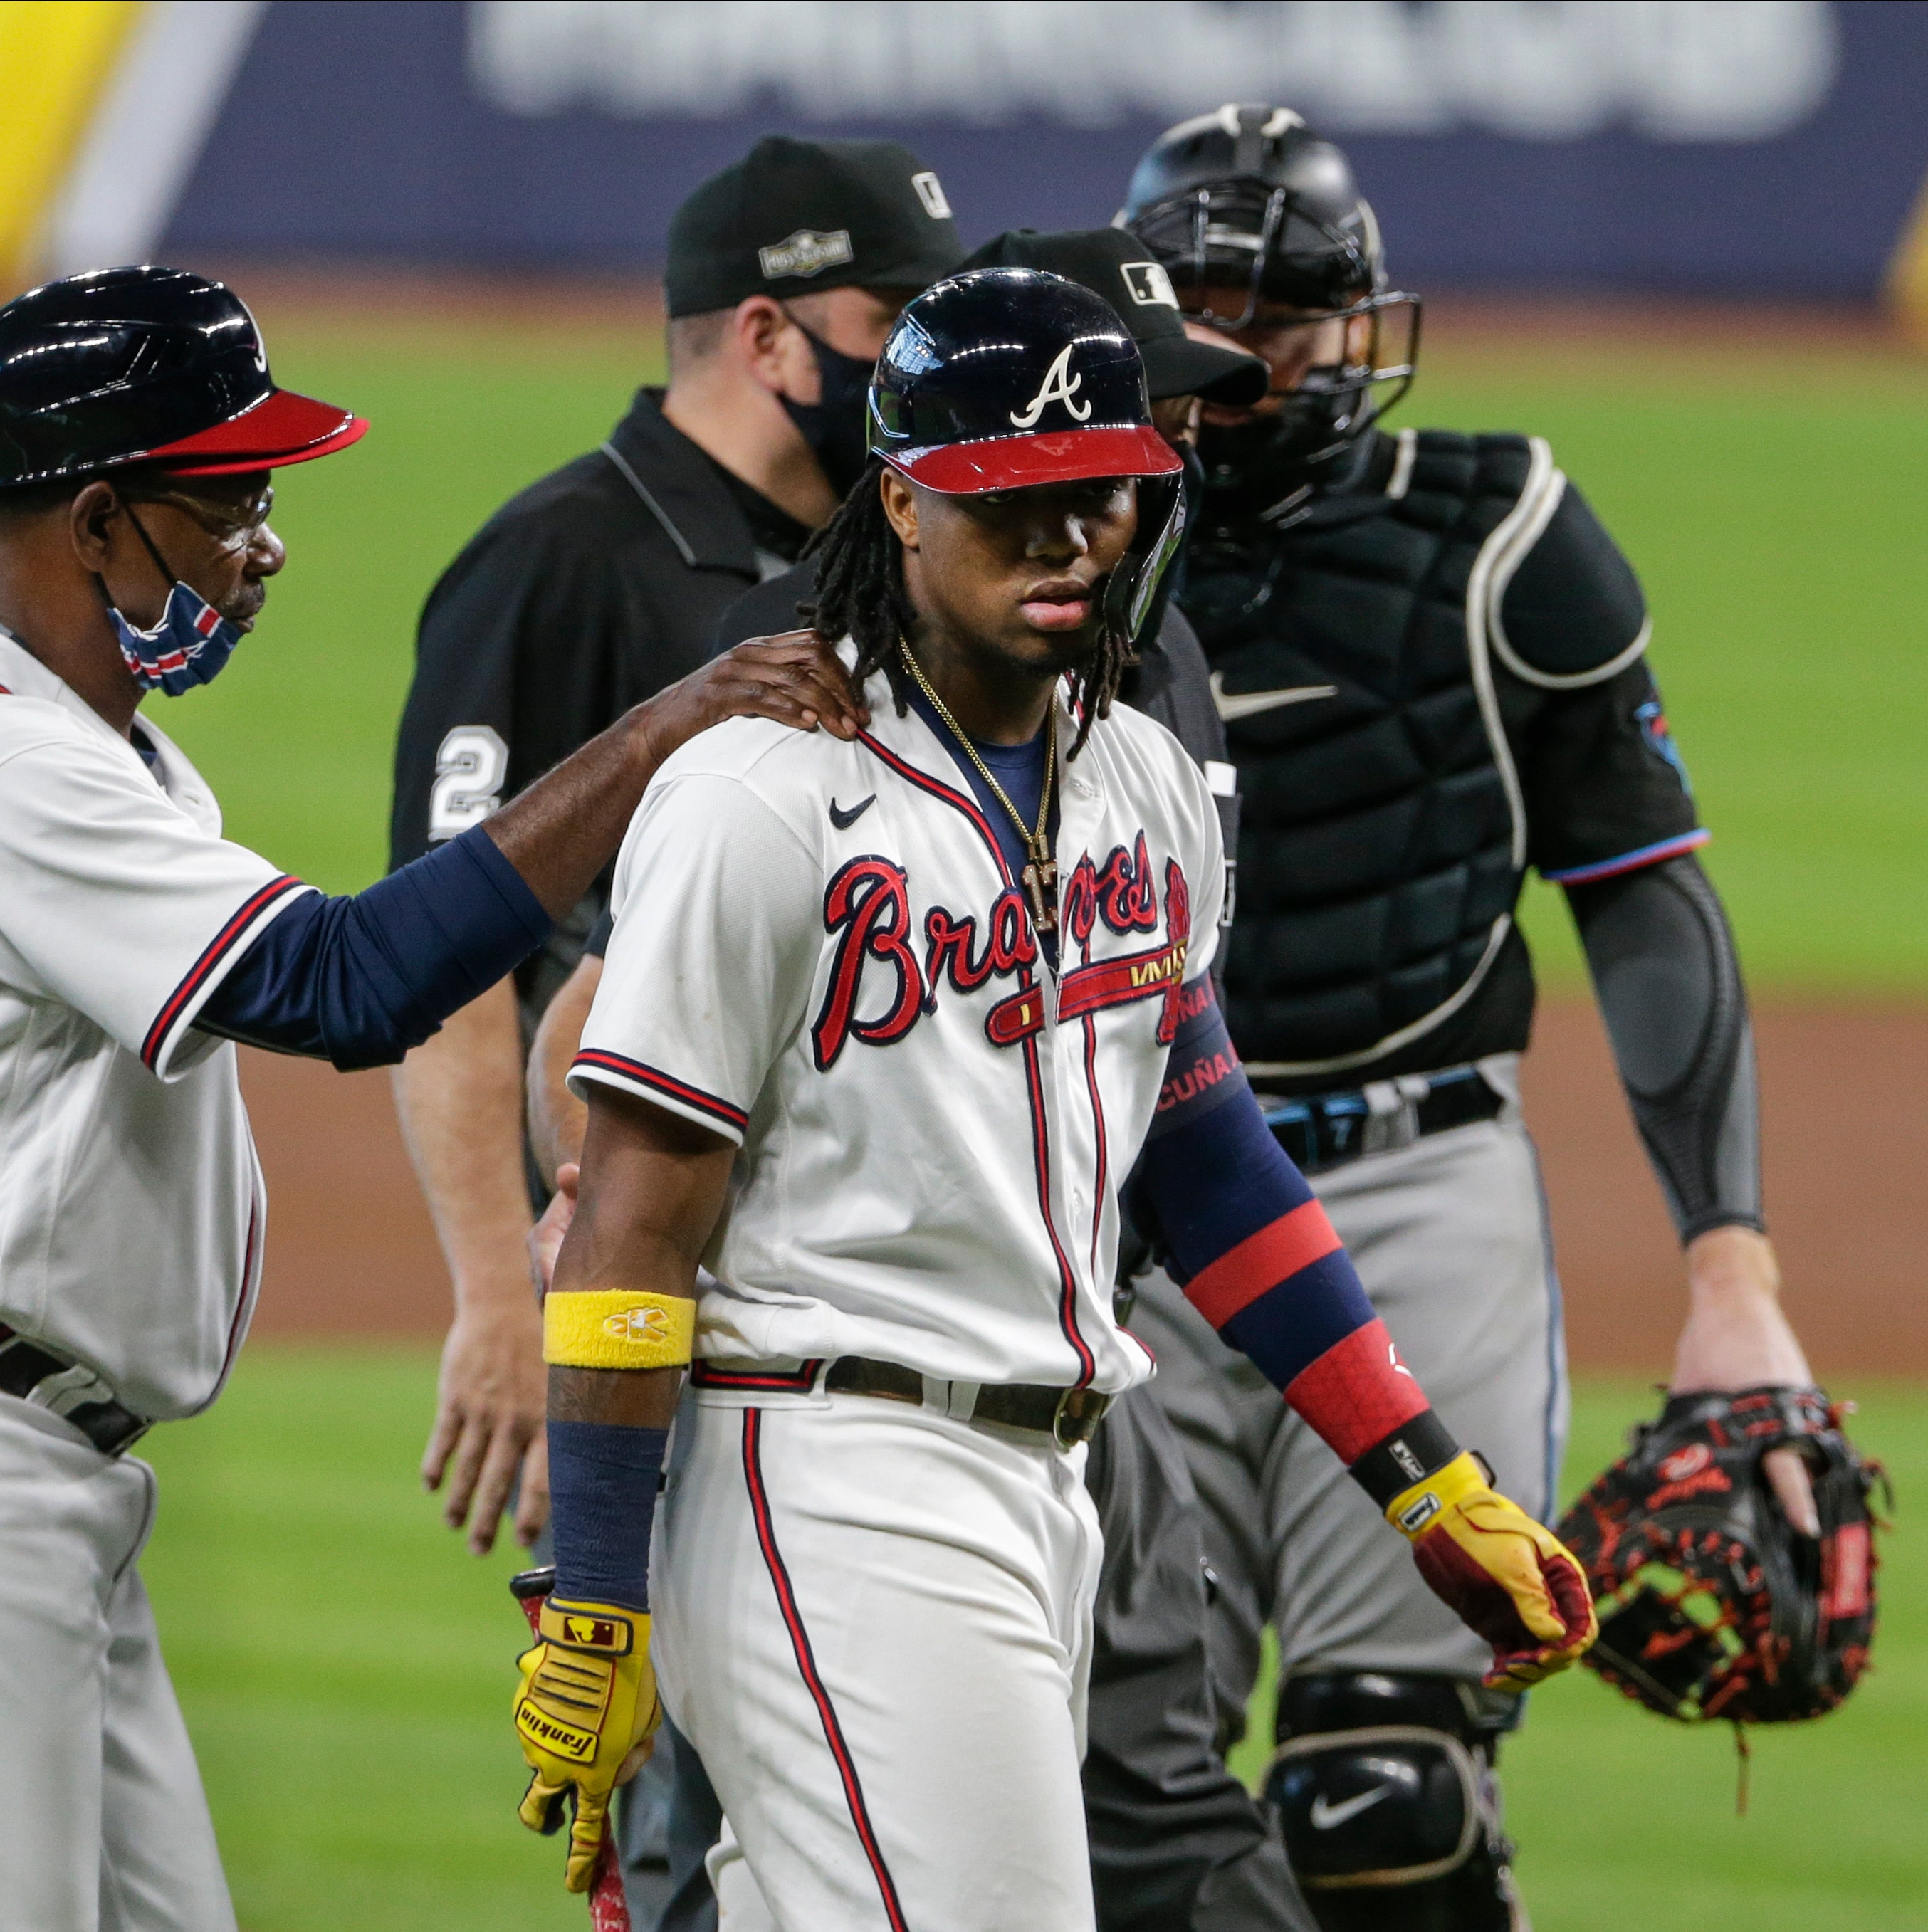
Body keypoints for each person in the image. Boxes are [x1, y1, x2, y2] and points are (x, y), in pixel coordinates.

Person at [0, 265, 864, 1932]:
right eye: (229, 493)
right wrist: (662, 732)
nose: (265, 539)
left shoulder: (74, 735)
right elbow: (347, 985)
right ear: (98, 518)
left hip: (6, 1439)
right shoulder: (16, 769)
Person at [506, 268, 1593, 1931]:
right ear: (903, 502)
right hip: (830, 1476)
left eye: (1103, 493)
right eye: (1011, 500)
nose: (1071, 538)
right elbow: (629, 1224)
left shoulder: (1137, 778)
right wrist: (595, 1603)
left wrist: (1421, 1477)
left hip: (1039, 1485)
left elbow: (1205, 1150)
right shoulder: (761, 795)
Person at [1112, 104, 1827, 1928]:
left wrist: (1729, 1273)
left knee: (1383, 1801)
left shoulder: (1500, 535)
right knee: (1122, 1800)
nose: (1250, 353)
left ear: (1362, 324)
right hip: (1129, 1212)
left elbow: (1644, 889)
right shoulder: (1049, 558)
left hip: (1421, 1187)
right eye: (1206, 309)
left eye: (1288, 314)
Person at [389, 135, 965, 1568]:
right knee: (660, 1738)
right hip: (636, 1273)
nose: (924, 367)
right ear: (767, 334)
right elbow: (449, 968)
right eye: (893, 325)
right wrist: (497, 1300)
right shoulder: (561, 559)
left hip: (847, 1273)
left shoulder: (882, 550)